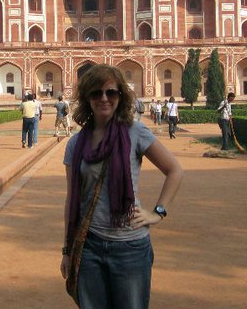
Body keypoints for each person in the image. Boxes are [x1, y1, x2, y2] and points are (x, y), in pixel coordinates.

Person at [60, 64, 183, 308]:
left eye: (111, 93)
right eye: (96, 93)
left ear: (120, 96)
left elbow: (174, 170)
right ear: (87, 98)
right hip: (89, 245)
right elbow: (72, 197)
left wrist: (157, 213)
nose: (103, 98)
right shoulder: (76, 144)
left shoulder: (135, 132)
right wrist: (67, 249)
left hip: (130, 247)